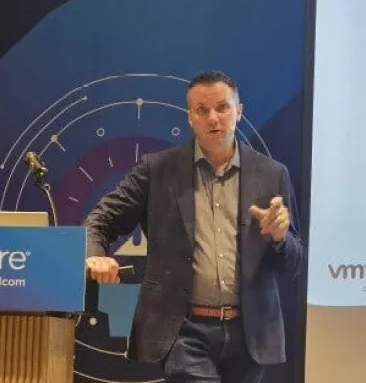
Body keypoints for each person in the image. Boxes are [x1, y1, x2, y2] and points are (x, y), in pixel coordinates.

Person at [83, 70, 304, 383]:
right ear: (190, 118)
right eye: (202, 110)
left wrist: (281, 239)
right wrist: (94, 254)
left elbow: (295, 263)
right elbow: (101, 219)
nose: (213, 118)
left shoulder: (272, 174)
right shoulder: (157, 170)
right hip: (183, 330)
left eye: (222, 107)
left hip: (251, 334)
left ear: (239, 111)